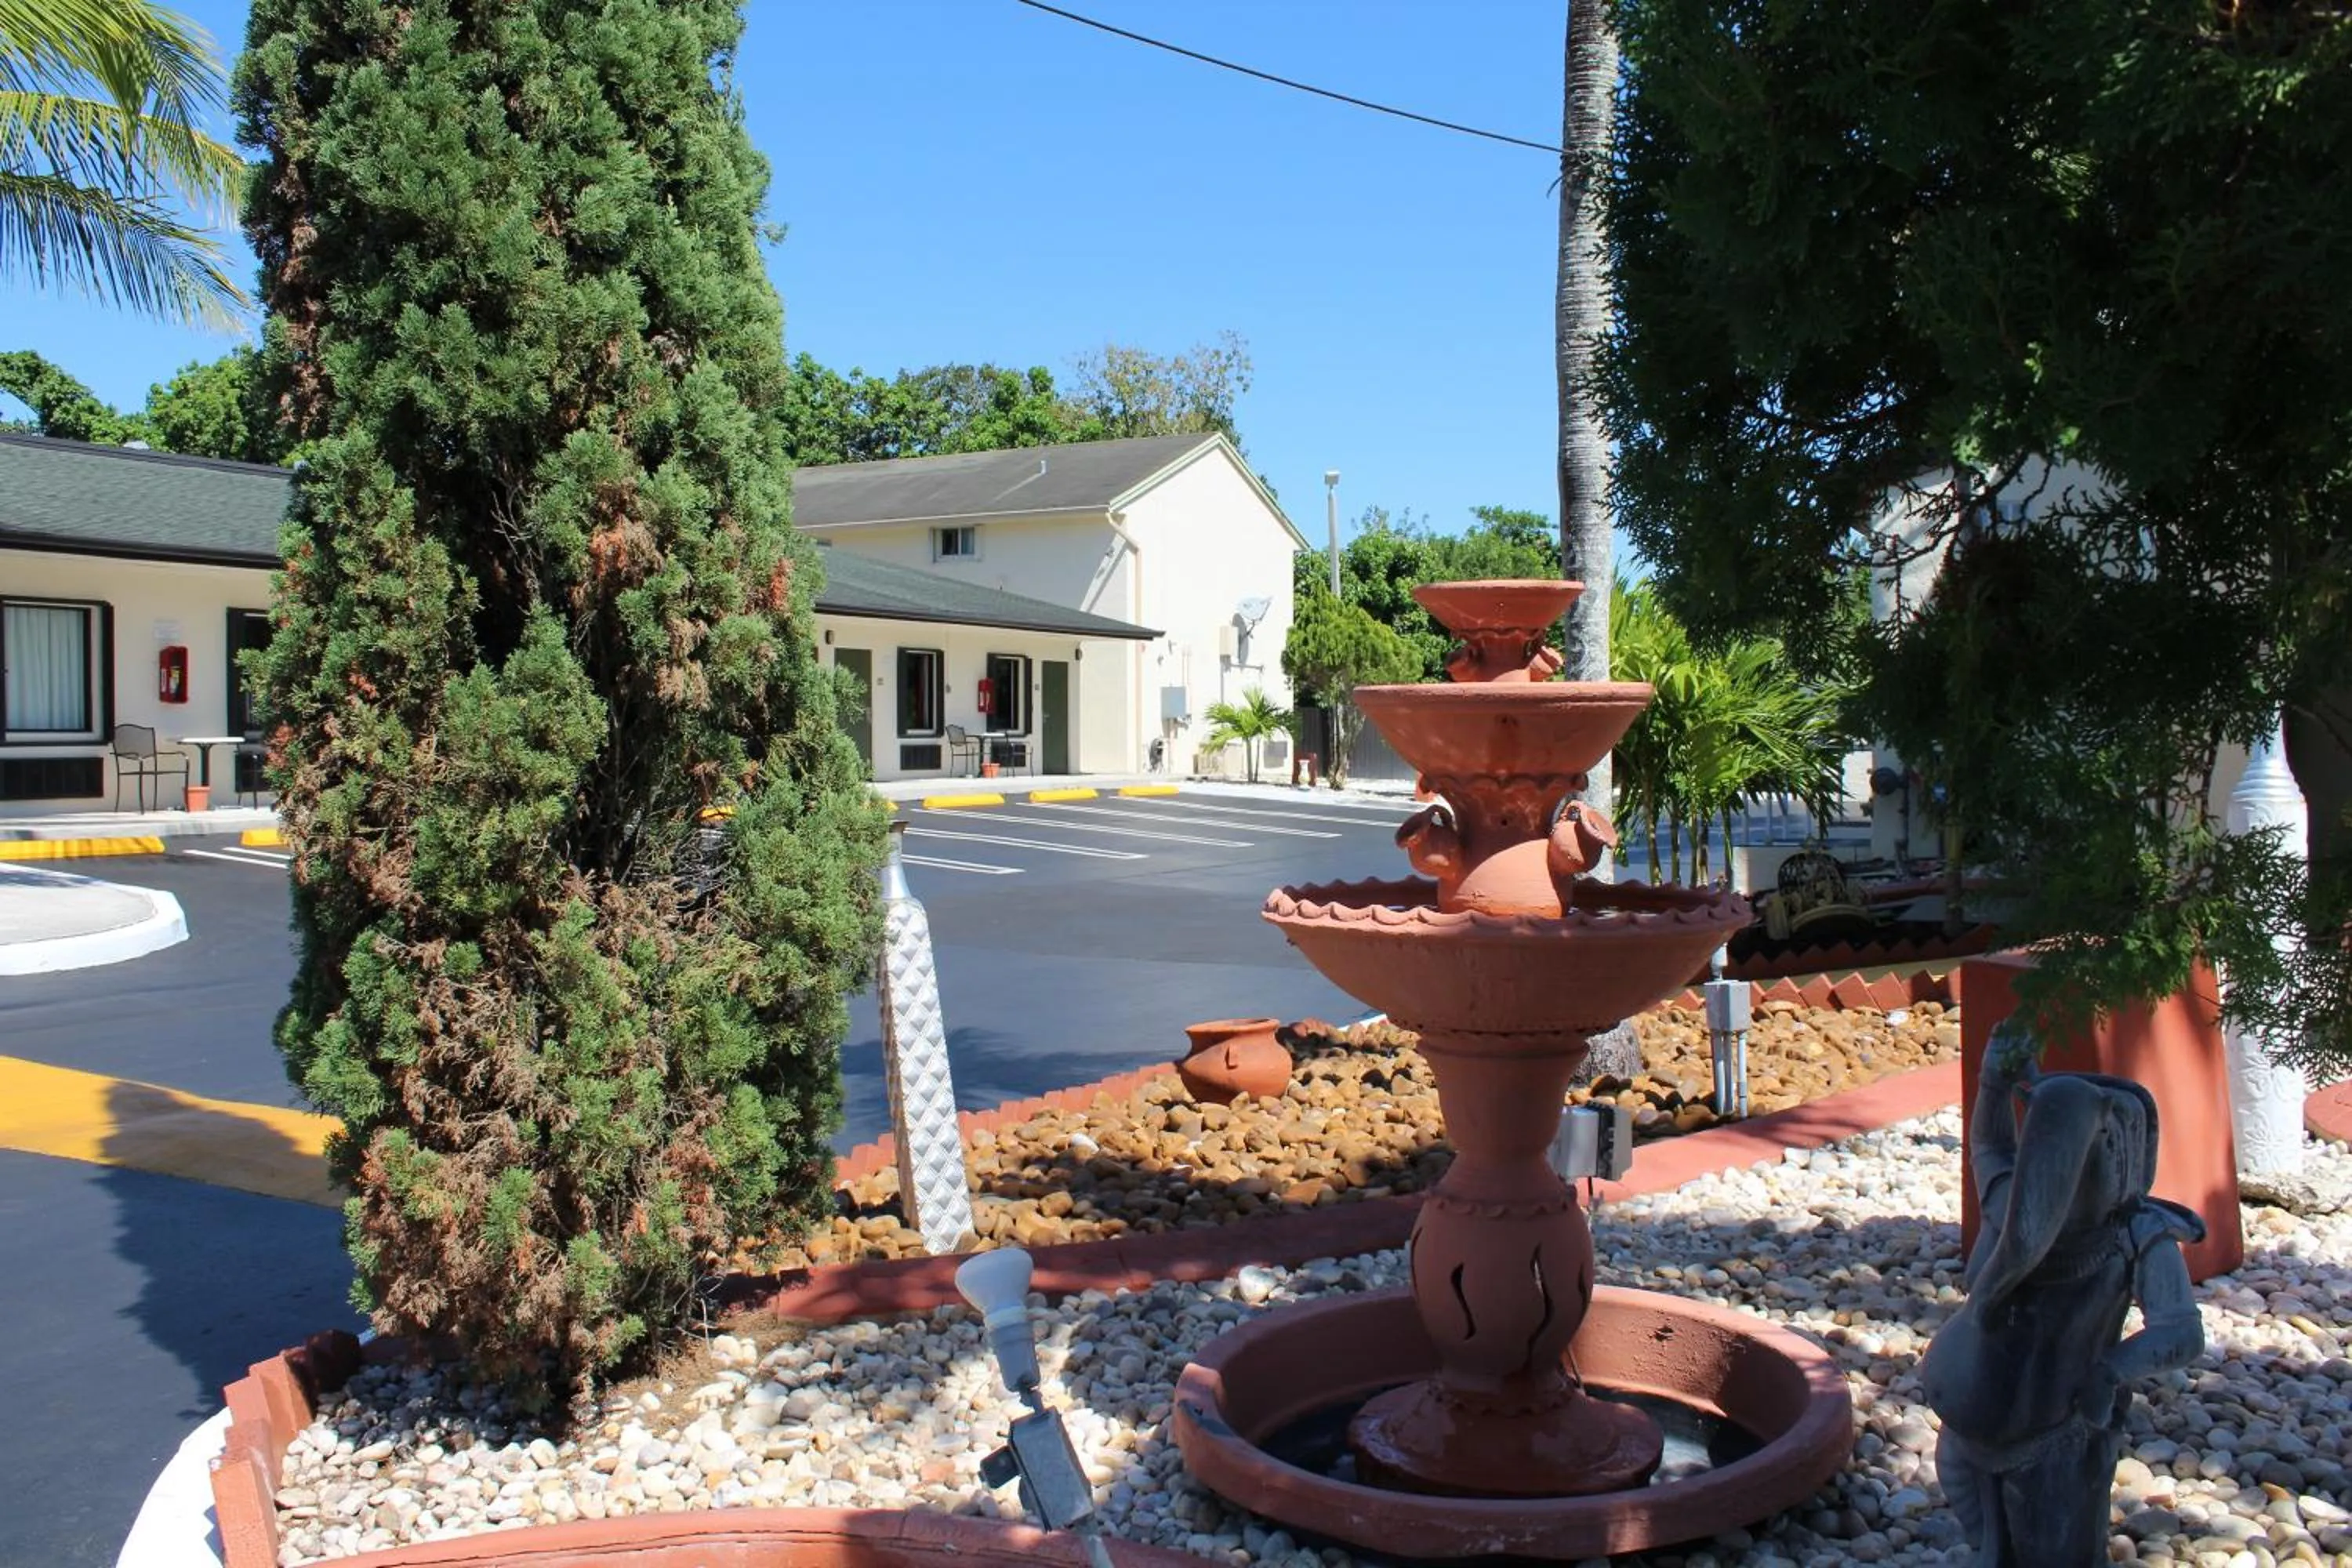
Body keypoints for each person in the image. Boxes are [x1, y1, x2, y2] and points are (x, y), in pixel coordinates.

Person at [1918, 1022, 2205, 1565]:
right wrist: (1993, 1085)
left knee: (2055, 1550)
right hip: (1970, 1424)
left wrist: (2110, 1371)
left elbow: (2181, 1331)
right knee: (1988, 1537)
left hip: (2055, 1436)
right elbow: (1990, 1147)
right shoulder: (2014, 1212)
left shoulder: (2136, 1235)